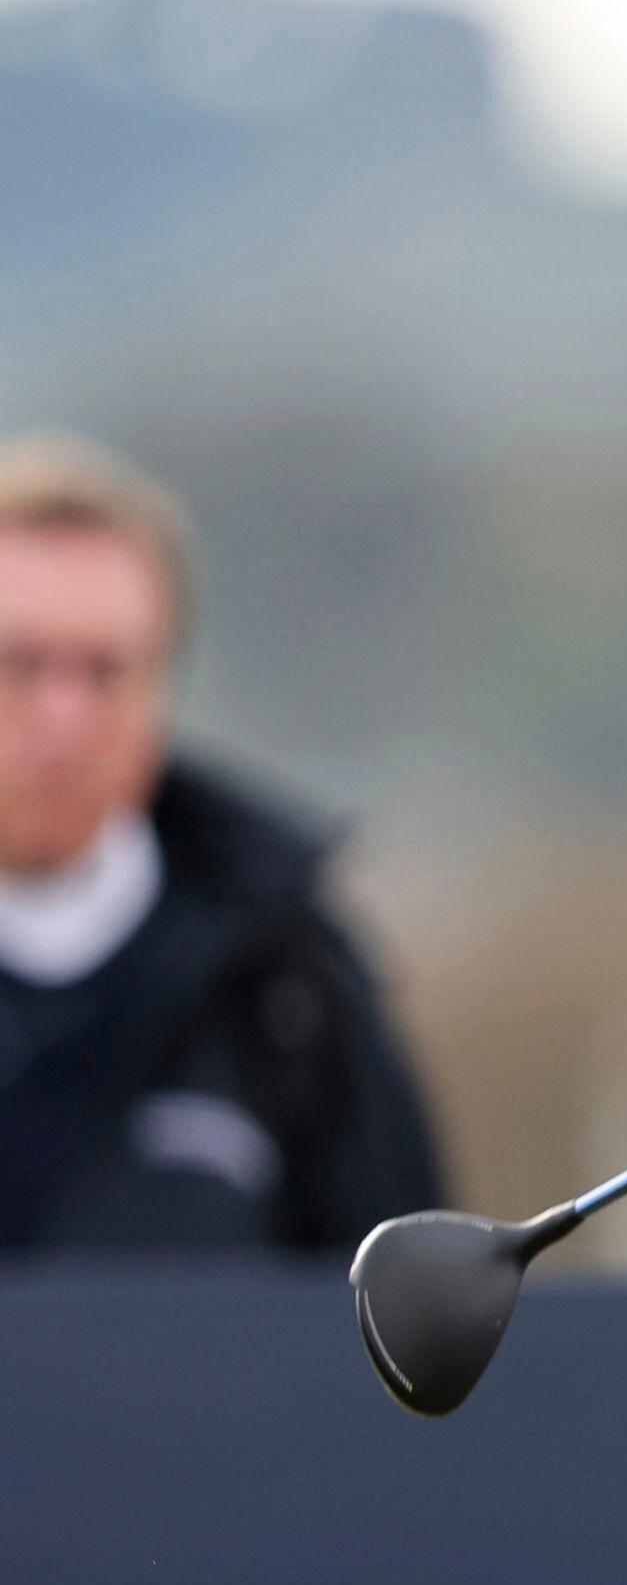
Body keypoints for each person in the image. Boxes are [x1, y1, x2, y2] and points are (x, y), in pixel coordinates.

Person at [0, 433, 443, 1254]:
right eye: (19, 664)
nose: (63, 719)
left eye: (104, 670)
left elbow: (400, 1320)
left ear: (163, 686)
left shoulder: (288, 994)